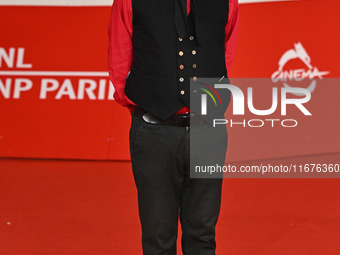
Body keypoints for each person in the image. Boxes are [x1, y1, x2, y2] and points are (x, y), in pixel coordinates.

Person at [108, 0, 239, 254]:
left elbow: (225, 54)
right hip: (153, 132)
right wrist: (147, 102)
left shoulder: (227, 2)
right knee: (158, 238)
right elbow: (119, 58)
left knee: (202, 236)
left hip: (208, 132)